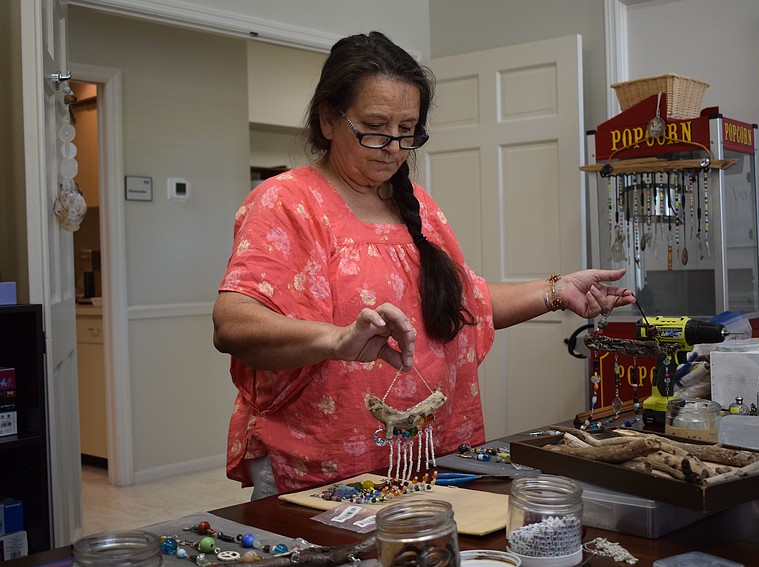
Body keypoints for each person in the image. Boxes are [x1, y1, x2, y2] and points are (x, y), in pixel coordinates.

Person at [212, 31, 635, 499]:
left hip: (434, 457)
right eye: (375, 126)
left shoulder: (418, 206)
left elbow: (463, 306)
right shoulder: (287, 201)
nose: (394, 146)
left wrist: (556, 291)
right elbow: (233, 324)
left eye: (408, 129)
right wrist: (337, 339)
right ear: (329, 119)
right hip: (326, 470)